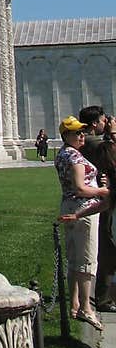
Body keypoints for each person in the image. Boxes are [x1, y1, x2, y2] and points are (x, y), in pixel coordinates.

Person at [55, 116, 110, 330]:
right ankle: (87, 308)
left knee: (74, 258)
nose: (81, 135)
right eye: (76, 132)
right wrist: (102, 191)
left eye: (82, 132)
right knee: (87, 261)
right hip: (84, 210)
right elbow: (80, 188)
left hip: (68, 206)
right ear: (66, 135)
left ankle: (75, 304)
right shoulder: (75, 157)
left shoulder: (62, 154)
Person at [78, 106, 116, 312]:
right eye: (103, 120)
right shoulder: (95, 143)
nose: (105, 123)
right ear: (95, 123)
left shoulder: (84, 142)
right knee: (106, 248)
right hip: (102, 202)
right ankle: (103, 298)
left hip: (93, 201)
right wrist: (113, 133)